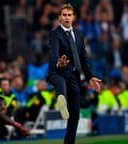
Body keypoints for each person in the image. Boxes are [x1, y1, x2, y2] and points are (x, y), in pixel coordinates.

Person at [46, 4, 101, 144]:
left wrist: (90, 77)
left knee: (75, 113)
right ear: (59, 17)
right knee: (60, 83)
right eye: (64, 15)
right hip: (57, 71)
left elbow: (84, 58)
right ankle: (61, 99)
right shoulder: (55, 33)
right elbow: (53, 53)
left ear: (74, 17)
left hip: (74, 75)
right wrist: (59, 62)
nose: (66, 17)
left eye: (69, 15)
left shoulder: (78, 34)